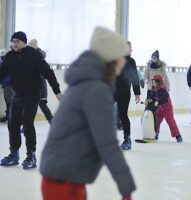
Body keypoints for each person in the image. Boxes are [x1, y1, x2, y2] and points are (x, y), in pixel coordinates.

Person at [40, 27, 136, 200]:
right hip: (63, 180)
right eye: (121, 56)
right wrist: (126, 189)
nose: (124, 61)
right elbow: (107, 143)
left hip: (65, 175)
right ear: (112, 58)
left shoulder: (88, 82)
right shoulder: (96, 89)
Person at [0, 31, 62, 169]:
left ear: (24, 42)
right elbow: (2, 72)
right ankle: (14, 154)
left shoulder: (34, 55)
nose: (14, 44)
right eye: (13, 41)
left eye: (17, 41)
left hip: (32, 94)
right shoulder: (9, 57)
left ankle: (31, 155)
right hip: (17, 94)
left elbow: (48, 73)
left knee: (27, 124)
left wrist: (56, 91)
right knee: (13, 124)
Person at [115, 41, 141, 150]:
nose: (131, 50)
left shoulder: (131, 61)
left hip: (124, 93)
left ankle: (127, 139)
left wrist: (137, 93)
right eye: (130, 48)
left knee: (123, 115)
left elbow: (134, 77)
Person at [149, 74, 183, 143]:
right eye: (152, 82)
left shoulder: (163, 89)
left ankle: (178, 136)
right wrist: (148, 101)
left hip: (168, 109)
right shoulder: (153, 90)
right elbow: (151, 98)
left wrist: (158, 102)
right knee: (156, 120)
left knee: (170, 121)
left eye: (154, 82)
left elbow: (165, 98)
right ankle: (156, 133)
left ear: (159, 82)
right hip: (161, 108)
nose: (153, 83)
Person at [28, 39, 53, 123]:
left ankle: (52, 122)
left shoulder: (40, 58)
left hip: (40, 86)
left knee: (42, 105)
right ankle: (26, 125)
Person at [0, 49, 12, 123]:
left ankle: (10, 117)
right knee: (11, 102)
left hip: (7, 85)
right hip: (13, 85)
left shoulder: (2, 62)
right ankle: (9, 116)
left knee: (9, 102)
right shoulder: (11, 61)